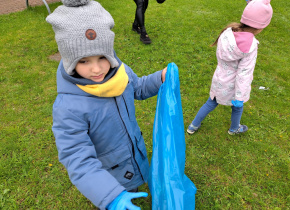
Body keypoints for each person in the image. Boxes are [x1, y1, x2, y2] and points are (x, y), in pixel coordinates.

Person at [46, 0, 167, 209]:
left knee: (133, 190)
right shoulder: (68, 106)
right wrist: (109, 196)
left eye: (102, 57)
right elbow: (77, 157)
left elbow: (137, 88)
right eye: (84, 61)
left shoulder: (119, 72)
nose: (96, 69)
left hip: (132, 154)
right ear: (69, 60)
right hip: (108, 176)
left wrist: (160, 79)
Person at [187, 0, 273, 135]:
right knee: (237, 108)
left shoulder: (228, 32)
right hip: (233, 86)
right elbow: (244, 73)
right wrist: (239, 97)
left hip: (219, 79)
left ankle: (193, 126)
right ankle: (234, 129)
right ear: (260, 27)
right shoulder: (251, 47)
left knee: (210, 103)